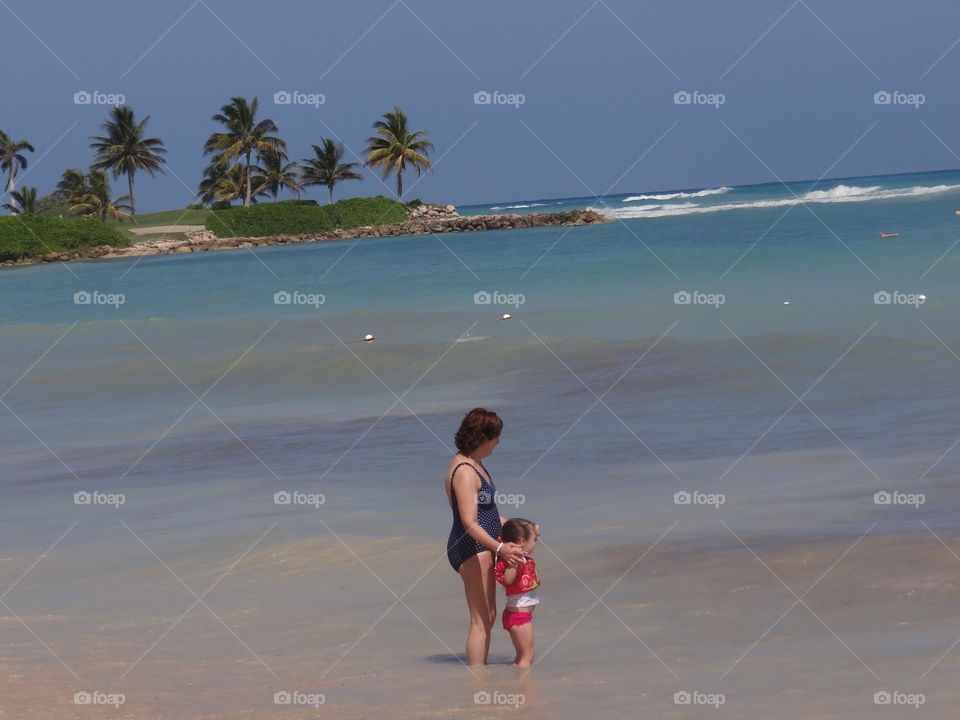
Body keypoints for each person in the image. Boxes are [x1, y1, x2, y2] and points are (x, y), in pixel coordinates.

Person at [445, 408, 525, 665]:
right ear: (483, 437)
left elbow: (489, 514)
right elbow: (469, 522)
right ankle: (477, 679)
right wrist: (500, 549)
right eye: (496, 437)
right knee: (480, 619)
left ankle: (481, 672)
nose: (498, 442)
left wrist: (519, 529)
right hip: (471, 546)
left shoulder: (474, 464)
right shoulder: (465, 472)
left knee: (488, 616)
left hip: (482, 544)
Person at [494, 518, 541, 667]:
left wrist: (534, 530)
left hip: (519, 614)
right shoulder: (513, 560)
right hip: (518, 616)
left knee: (521, 656)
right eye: (535, 539)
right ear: (522, 542)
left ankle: (515, 684)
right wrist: (513, 565)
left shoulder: (522, 557)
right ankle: (526, 687)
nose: (536, 542)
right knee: (528, 655)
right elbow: (508, 581)